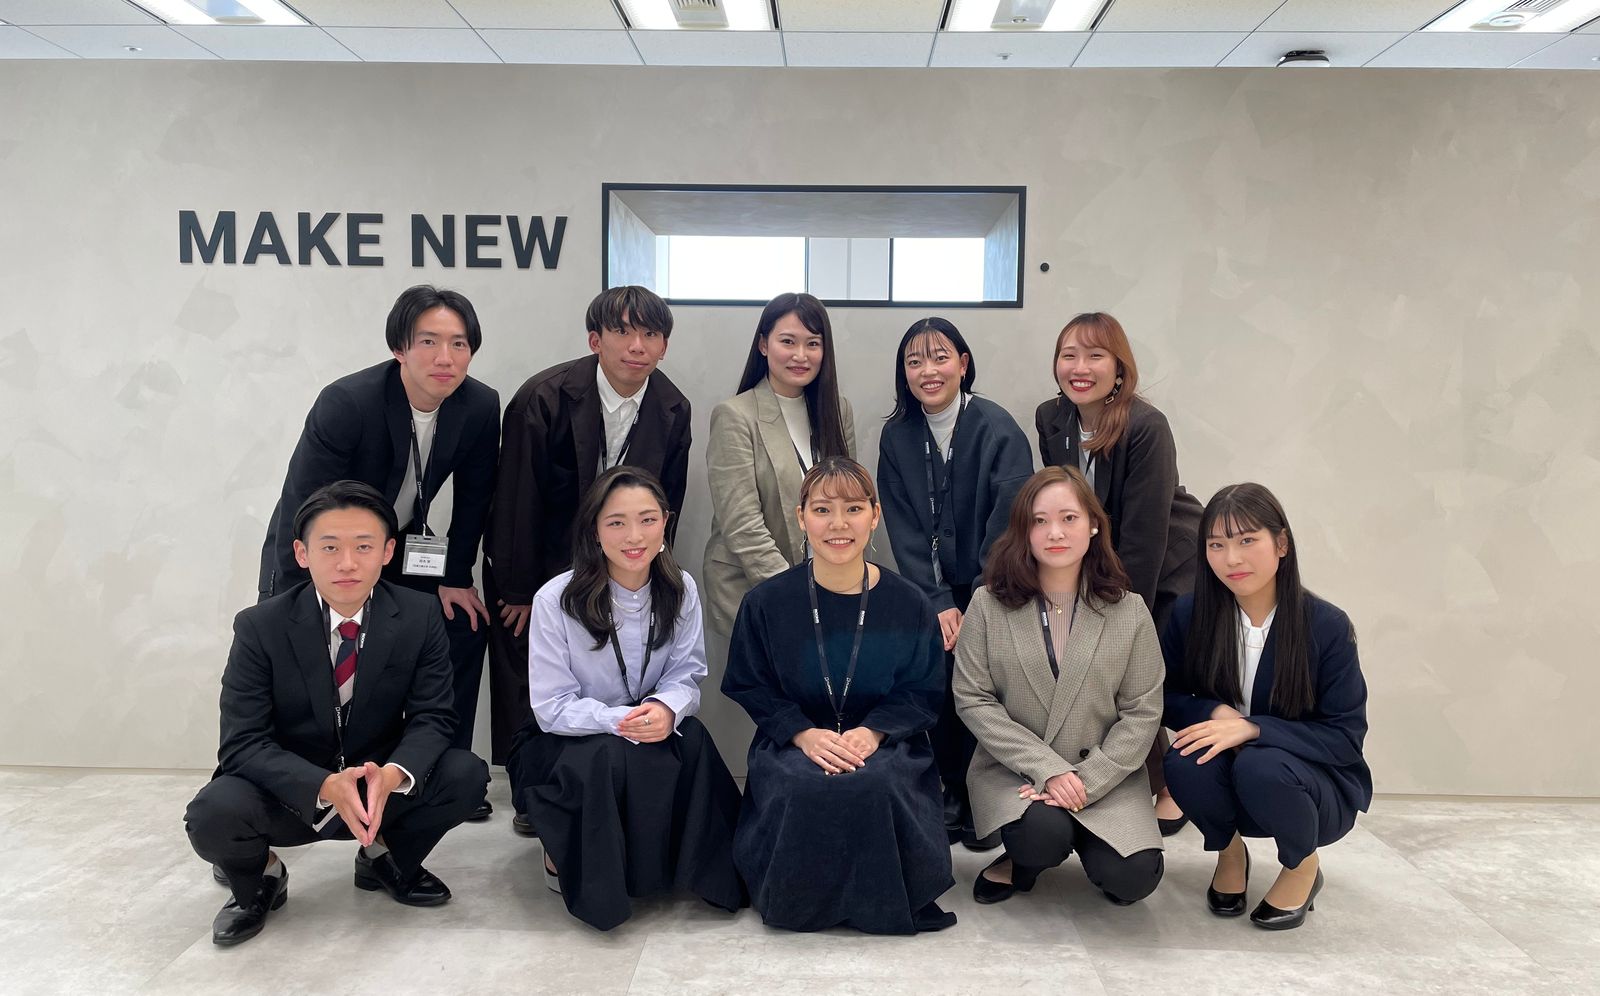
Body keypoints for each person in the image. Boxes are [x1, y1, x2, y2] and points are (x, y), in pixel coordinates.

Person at [186, 481, 489, 946]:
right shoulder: (259, 626)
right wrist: (322, 784)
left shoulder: (419, 614)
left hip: (376, 785)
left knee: (465, 775)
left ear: (387, 552)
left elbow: (434, 716)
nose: (347, 563)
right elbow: (242, 742)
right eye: (330, 547)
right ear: (302, 553)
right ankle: (262, 877)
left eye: (363, 546)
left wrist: (393, 775)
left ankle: (385, 858)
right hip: (291, 791)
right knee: (213, 813)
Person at [257, 285, 499, 818]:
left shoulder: (480, 405)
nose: (445, 357)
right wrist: (302, 589)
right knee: (294, 655)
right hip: (323, 549)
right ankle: (282, 791)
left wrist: (456, 576)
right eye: (429, 341)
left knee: (463, 625)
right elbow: (305, 503)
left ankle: (435, 774)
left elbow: (476, 496)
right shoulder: (348, 402)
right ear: (399, 348)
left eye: (459, 344)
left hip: (403, 546)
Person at [485, 286, 692, 834]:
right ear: (595, 340)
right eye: (622, 331)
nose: (636, 346)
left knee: (611, 669)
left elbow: (668, 500)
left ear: (664, 346)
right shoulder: (544, 397)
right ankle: (533, 796)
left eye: (650, 333)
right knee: (531, 678)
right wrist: (518, 589)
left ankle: (613, 777)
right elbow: (516, 499)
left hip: (623, 559)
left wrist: (654, 569)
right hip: (539, 562)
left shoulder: (672, 408)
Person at [722, 457, 957, 935]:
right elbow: (750, 683)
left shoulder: (909, 602)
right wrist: (802, 734)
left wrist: (873, 732)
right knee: (802, 784)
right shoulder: (766, 602)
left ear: (875, 515)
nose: (838, 524)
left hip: (888, 741)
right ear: (801, 517)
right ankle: (795, 903)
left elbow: (923, 689)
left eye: (853, 509)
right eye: (822, 510)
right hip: (792, 739)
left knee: (875, 783)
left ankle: (885, 902)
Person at [507, 467, 743, 930]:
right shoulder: (556, 599)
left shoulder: (681, 588)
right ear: (594, 530)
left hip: (647, 720)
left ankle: (681, 870)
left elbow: (686, 672)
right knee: (604, 756)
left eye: (647, 520)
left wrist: (667, 708)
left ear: (665, 523)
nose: (634, 536)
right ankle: (576, 863)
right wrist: (619, 720)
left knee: (692, 739)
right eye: (616, 522)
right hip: (570, 735)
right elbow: (552, 707)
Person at [1161, 483, 1371, 930]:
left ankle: (1302, 866)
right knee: (1183, 759)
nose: (1231, 559)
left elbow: (1344, 737)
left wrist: (1255, 728)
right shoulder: (1190, 614)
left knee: (1262, 765)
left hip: (1310, 785)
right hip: (1233, 776)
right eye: (1216, 545)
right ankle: (1229, 852)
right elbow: (1164, 696)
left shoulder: (1327, 626)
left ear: (1281, 544)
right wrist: (1215, 713)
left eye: (1246, 540)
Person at [954, 467, 1165, 907]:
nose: (1055, 532)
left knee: (1133, 879)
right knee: (1039, 837)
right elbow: (973, 699)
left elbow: (1143, 712)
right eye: (1040, 520)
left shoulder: (1130, 611)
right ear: (1023, 530)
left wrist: (1085, 781)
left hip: (1105, 774)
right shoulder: (987, 604)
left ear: (1093, 525)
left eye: (1069, 518)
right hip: (1019, 773)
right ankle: (1024, 860)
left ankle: (1087, 838)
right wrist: (1047, 769)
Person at [1034, 312, 1201, 835]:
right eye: (1069, 355)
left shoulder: (1146, 426)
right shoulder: (1051, 417)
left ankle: (1172, 785)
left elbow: (1145, 536)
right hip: (1099, 556)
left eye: (1095, 355)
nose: (1080, 368)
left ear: (1119, 367)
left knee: (1142, 671)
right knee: (1107, 672)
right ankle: (1143, 778)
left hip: (1166, 563)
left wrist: (1123, 617)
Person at [878, 317, 1033, 849]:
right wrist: (939, 600)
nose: (928, 370)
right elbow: (902, 525)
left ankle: (984, 792)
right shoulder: (897, 435)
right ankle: (949, 787)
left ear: (963, 364)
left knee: (987, 683)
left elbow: (1010, 521)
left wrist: (980, 600)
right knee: (934, 675)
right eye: (914, 361)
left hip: (999, 588)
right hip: (931, 593)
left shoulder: (998, 428)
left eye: (940, 357)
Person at [703, 292, 856, 637]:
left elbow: (850, 502)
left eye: (812, 343)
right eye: (788, 341)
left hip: (826, 583)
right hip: (748, 587)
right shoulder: (735, 416)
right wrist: (796, 595)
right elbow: (742, 524)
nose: (800, 355)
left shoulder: (838, 410)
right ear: (763, 345)